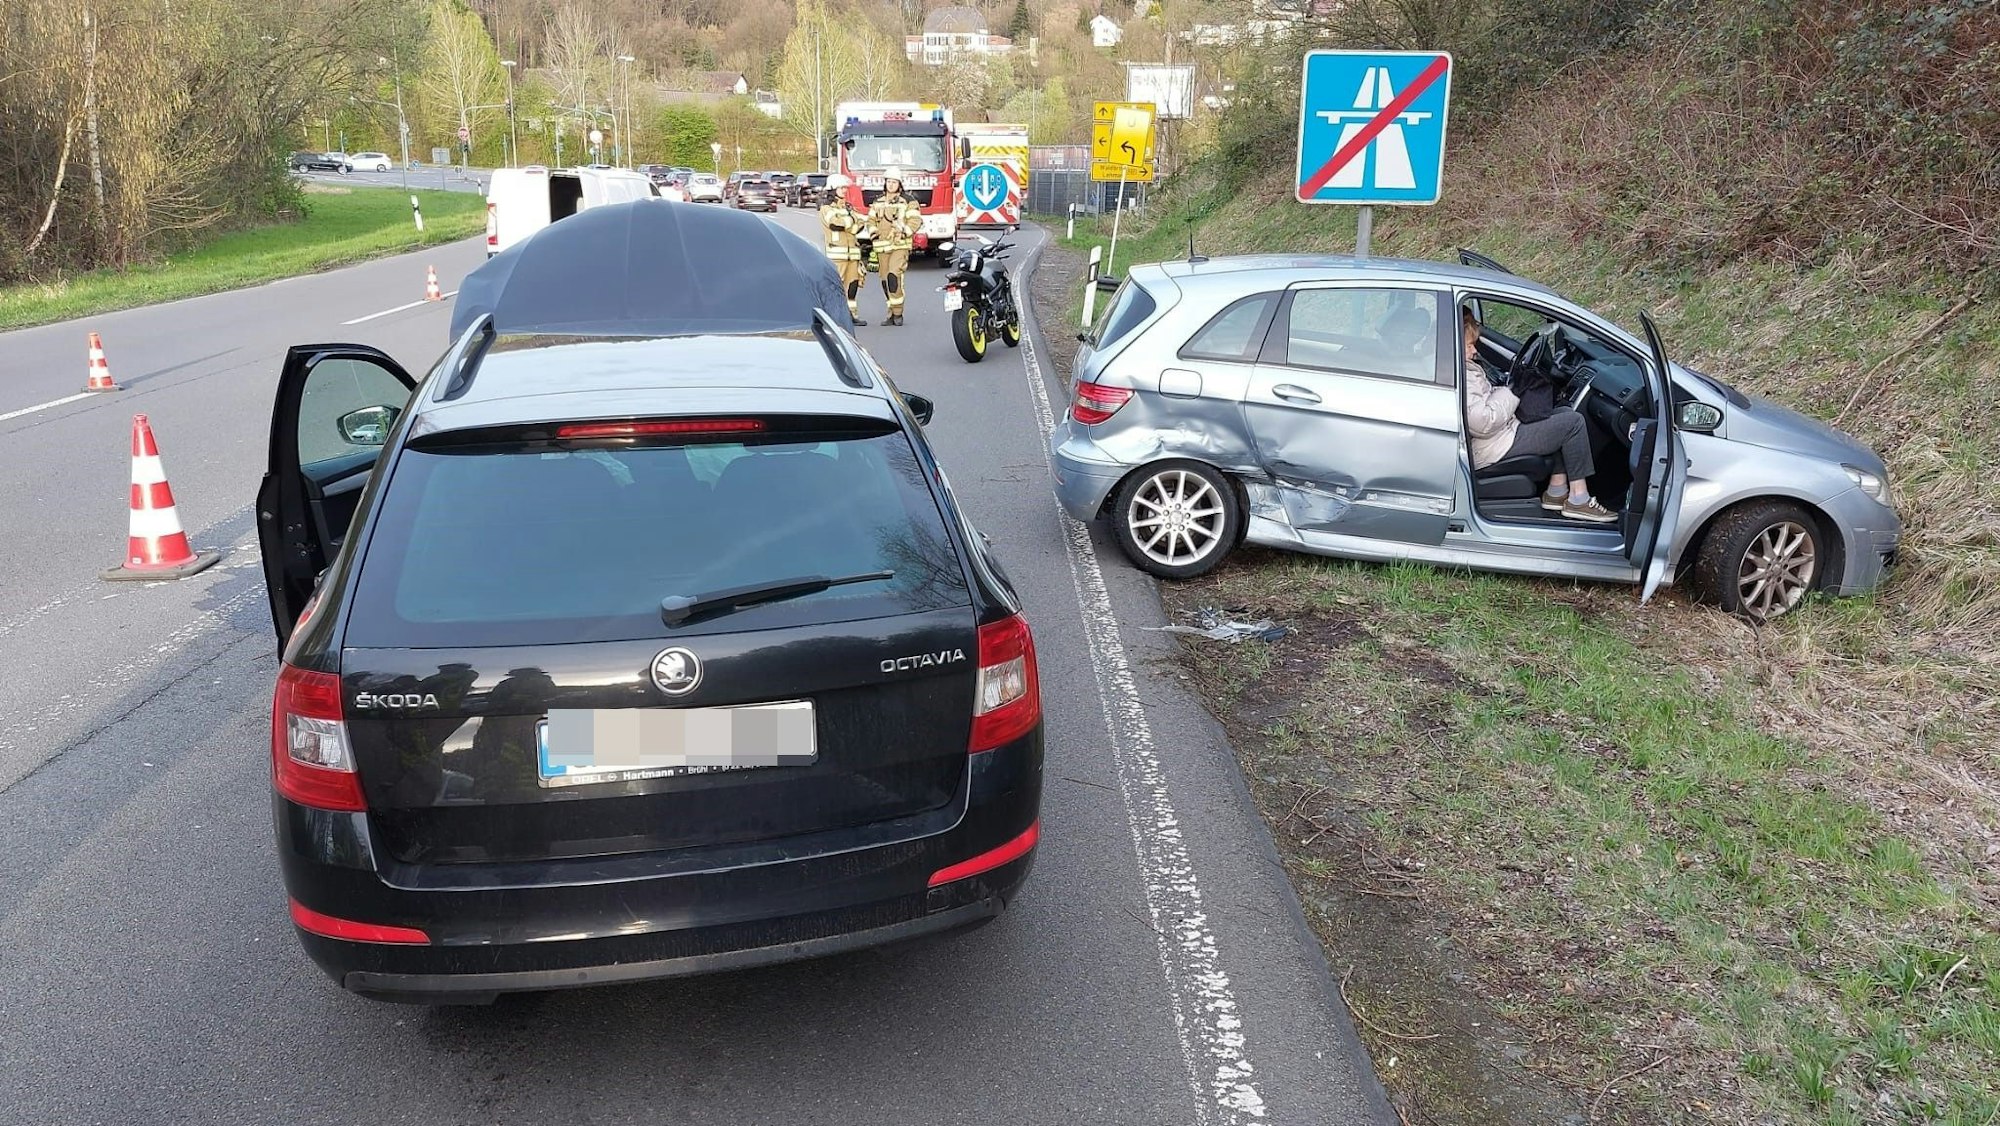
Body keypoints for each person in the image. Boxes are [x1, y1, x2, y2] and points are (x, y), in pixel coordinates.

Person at [1461, 306, 1618, 524]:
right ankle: (1578, 499)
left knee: (1559, 414)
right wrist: (1511, 391)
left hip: (1498, 437)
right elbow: (1483, 422)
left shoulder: (1464, 369)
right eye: (1469, 345)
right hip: (1492, 447)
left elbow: (1484, 404)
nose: (1474, 351)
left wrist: (1505, 390)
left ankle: (1556, 491)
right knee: (1572, 423)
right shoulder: (1463, 375)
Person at [867, 169, 922, 326]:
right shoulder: (878, 201)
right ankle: (891, 311)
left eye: (894, 182)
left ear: (899, 184)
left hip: (899, 246)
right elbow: (870, 221)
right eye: (888, 182)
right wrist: (873, 233)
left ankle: (898, 312)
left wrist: (904, 231)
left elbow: (915, 221)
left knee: (893, 276)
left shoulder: (908, 201)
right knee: (884, 281)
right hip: (882, 248)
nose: (891, 185)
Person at [817, 174, 869, 326]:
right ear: (833, 189)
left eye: (845, 188)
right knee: (835, 288)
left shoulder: (847, 207)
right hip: (837, 255)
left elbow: (860, 224)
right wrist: (851, 222)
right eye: (841, 188)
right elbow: (835, 224)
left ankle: (851, 315)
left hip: (853, 255)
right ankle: (834, 318)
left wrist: (851, 223)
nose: (844, 191)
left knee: (852, 286)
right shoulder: (827, 208)